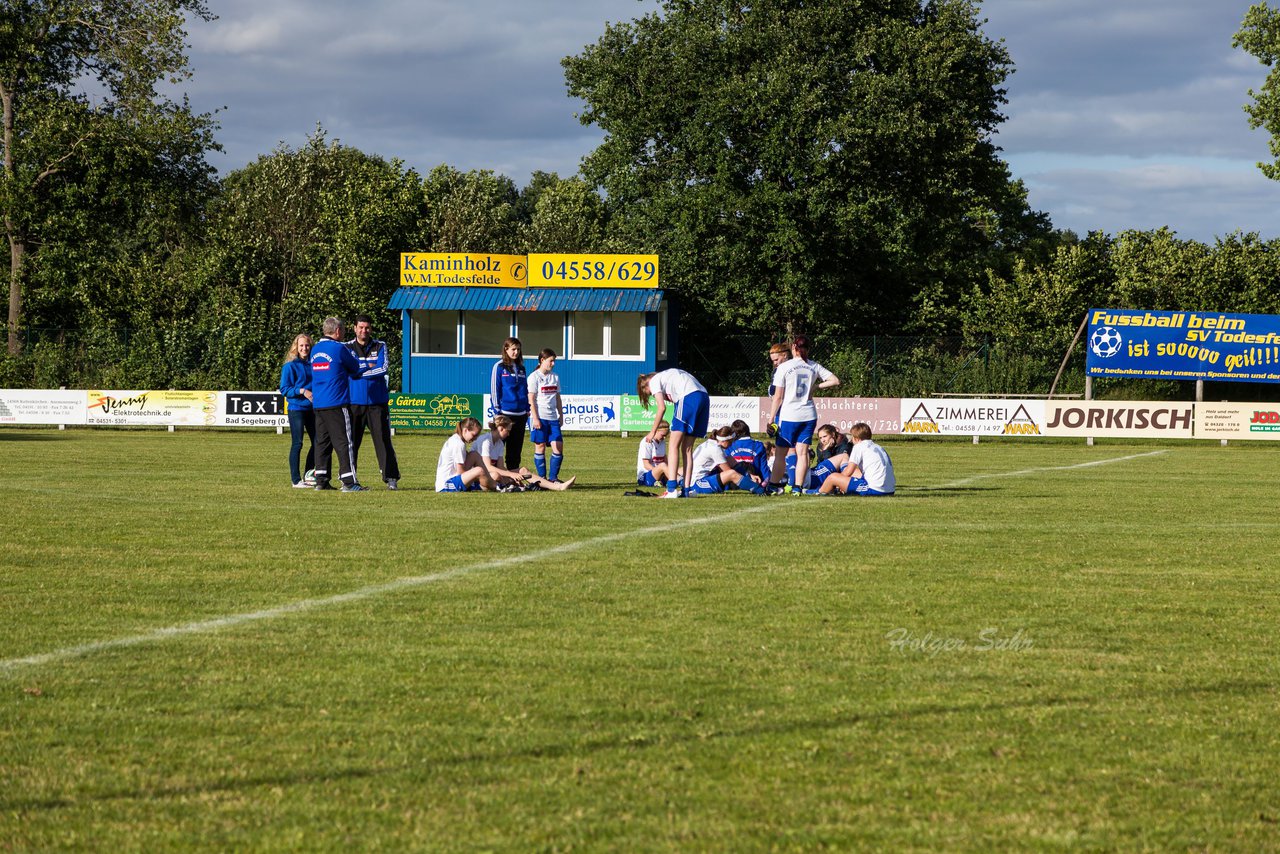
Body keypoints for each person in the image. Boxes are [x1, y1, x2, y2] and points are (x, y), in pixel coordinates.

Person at [767, 335, 840, 493]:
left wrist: (771, 419)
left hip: (789, 415)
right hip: (809, 415)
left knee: (781, 453)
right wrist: (816, 387)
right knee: (802, 453)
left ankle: (772, 485)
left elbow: (778, 397)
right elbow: (835, 380)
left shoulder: (784, 367)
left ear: (794, 348)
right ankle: (797, 488)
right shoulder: (813, 365)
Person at [310, 316, 367, 492]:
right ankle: (349, 481)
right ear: (337, 331)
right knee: (344, 442)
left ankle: (321, 479)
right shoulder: (339, 348)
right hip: (336, 402)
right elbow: (355, 368)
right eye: (342, 331)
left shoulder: (315, 349)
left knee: (322, 442)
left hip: (319, 403)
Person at [347, 315, 401, 490]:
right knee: (351, 443)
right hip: (354, 402)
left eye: (367, 328)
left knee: (383, 441)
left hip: (377, 403)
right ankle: (349, 479)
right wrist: (367, 368)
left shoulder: (380, 345)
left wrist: (358, 372)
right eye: (361, 327)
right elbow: (346, 369)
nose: (364, 331)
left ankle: (391, 478)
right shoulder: (346, 347)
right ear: (354, 328)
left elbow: (383, 368)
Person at [637, 368, 709, 498]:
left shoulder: (654, 382)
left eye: (648, 394)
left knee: (673, 445)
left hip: (688, 397)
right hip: (704, 396)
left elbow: (662, 407)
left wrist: (652, 431)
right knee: (687, 449)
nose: (651, 395)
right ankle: (687, 490)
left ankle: (671, 489)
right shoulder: (668, 376)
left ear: (646, 385)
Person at [475, 416, 575, 492]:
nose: (509, 434)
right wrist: (511, 475)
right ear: (501, 428)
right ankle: (512, 486)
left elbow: (500, 466)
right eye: (508, 431)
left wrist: (513, 476)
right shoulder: (485, 441)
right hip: (479, 477)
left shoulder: (500, 443)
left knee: (523, 470)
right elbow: (488, 467)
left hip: (492, 474)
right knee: (496, 475)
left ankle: (557, 487)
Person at [815, 422, 896, 496]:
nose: (851, 440)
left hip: (875, 490)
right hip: (890, 490)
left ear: (856, 438)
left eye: (852, 437)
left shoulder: (858, 446)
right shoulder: (879, 447)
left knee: (833, 477)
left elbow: (848, 472)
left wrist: (838, 482)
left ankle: (818, 492)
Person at [279, 332, 316, 488]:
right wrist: (302, 391)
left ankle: (309, 475)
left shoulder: (314, 364)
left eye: (307, 345)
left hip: (313, 409)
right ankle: (296, 480)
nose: (304, 348)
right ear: (296, 347)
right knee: (297, 443)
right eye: (301, 345)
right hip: (296, 408)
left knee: (318, 442)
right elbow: (284, 389)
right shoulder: (289, 366)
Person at [686, 426, 767, 495]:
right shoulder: (715, 449)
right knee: (732, 473)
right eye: (731, 441)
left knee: (733, 461)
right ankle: (761, 490)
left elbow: (732, 462)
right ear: (725, 440)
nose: (732, 444)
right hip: (697, 484)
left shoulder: (711, 443)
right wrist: (749, 479)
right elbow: (729, 472)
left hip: (697, 479)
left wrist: (750, 475)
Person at [490, 337, 530, 471]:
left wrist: (527, 409)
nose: (516, 352)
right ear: (506, 349)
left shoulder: (522, 368)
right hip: (505, 414)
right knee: (498, 449)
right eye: (513, 349)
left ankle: (513, 478)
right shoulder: (499, 367)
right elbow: (495, 389)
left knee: (515, 450)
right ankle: (495, 478)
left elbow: (525, 389)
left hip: (521, 415)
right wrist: (497, 412)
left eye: (518, 349)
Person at [527, 348, 566, 482]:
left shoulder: (555, 377)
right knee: (540, 446)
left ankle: (553, 478)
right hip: (539, 417)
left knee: (558, 447)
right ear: (542, 360)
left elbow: (558, 398)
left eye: (554, 361)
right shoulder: (534, 377)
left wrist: (561, 414)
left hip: (552, 418)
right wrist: (535, 418)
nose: (553, 363)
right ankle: (542, 478)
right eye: (551, 360)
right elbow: (531, 399)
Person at [435, 417, 494, 492]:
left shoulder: (457, 439)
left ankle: (491, 483)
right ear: (465, 430)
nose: (475, 439)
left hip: (452, 480)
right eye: (474, 435)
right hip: (446, 484)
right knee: (479, 471)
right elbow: (460, 473)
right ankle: (496, 486)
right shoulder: (458, 444)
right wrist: (476, 476)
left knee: (474, 455)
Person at [726, 419, 770, 485]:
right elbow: (764, 469)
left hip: (734, 481)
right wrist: (768, 481)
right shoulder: (759, 445)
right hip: (756, 480)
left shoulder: (729, 445)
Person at [636, 420, 673, 487]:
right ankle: (679, 481)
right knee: (663, 465)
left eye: (666, 435)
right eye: (663, 435)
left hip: (659, 473)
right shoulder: (647, 442)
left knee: (681, 469)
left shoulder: (662, 442)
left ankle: (682, 480)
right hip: (645, 475)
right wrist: (660, 471)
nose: (664, 438)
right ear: (656, 431)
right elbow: (646, 465)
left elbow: (665, 460)